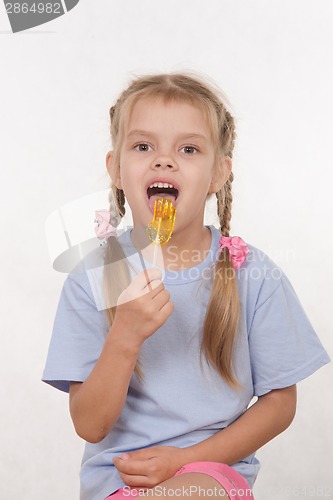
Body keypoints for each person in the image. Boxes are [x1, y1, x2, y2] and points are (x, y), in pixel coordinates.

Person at [42, 73, 330, 500]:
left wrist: (185, 460)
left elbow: (280, 404)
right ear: (115, 169)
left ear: (218, 174)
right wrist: (125, 336)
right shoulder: (95, 275)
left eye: (189, 149)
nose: (164, 161)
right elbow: (90, 425)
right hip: (119, 483)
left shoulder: (251, 273)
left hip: (212, 475)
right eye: (143, 147)